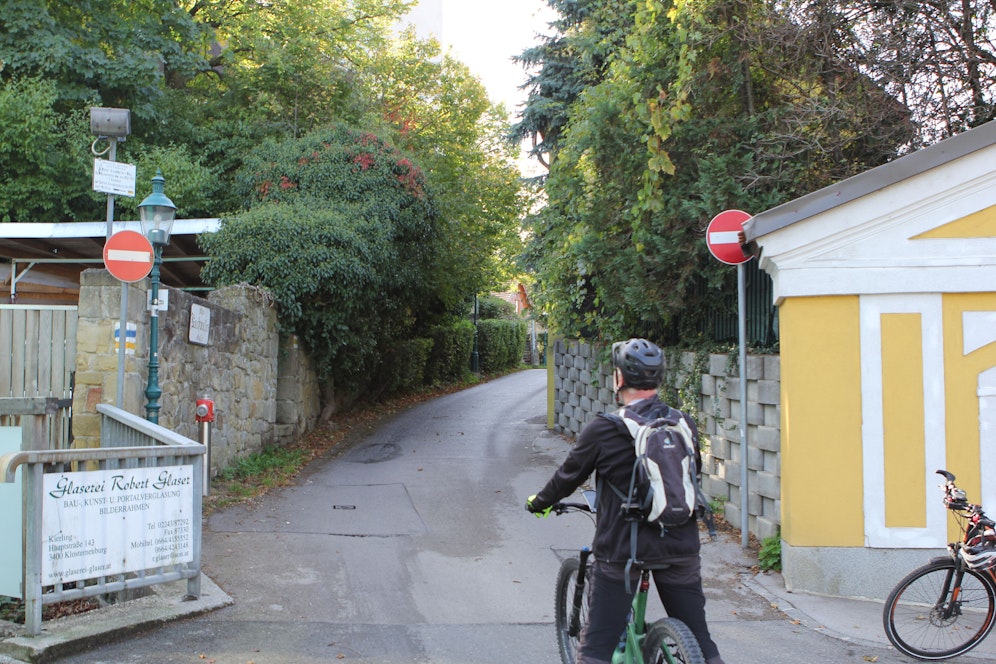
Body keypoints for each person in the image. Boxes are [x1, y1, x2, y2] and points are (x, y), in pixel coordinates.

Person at [526, 338, 726, 664]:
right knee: (702, 645)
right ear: (659, 378)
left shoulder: (604, 429)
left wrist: (539, 502)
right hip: (680, 545)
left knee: (595, 652)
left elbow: (567, 477)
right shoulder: (683, 424)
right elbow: (690, 479)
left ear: (619, 379)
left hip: (623, 552)